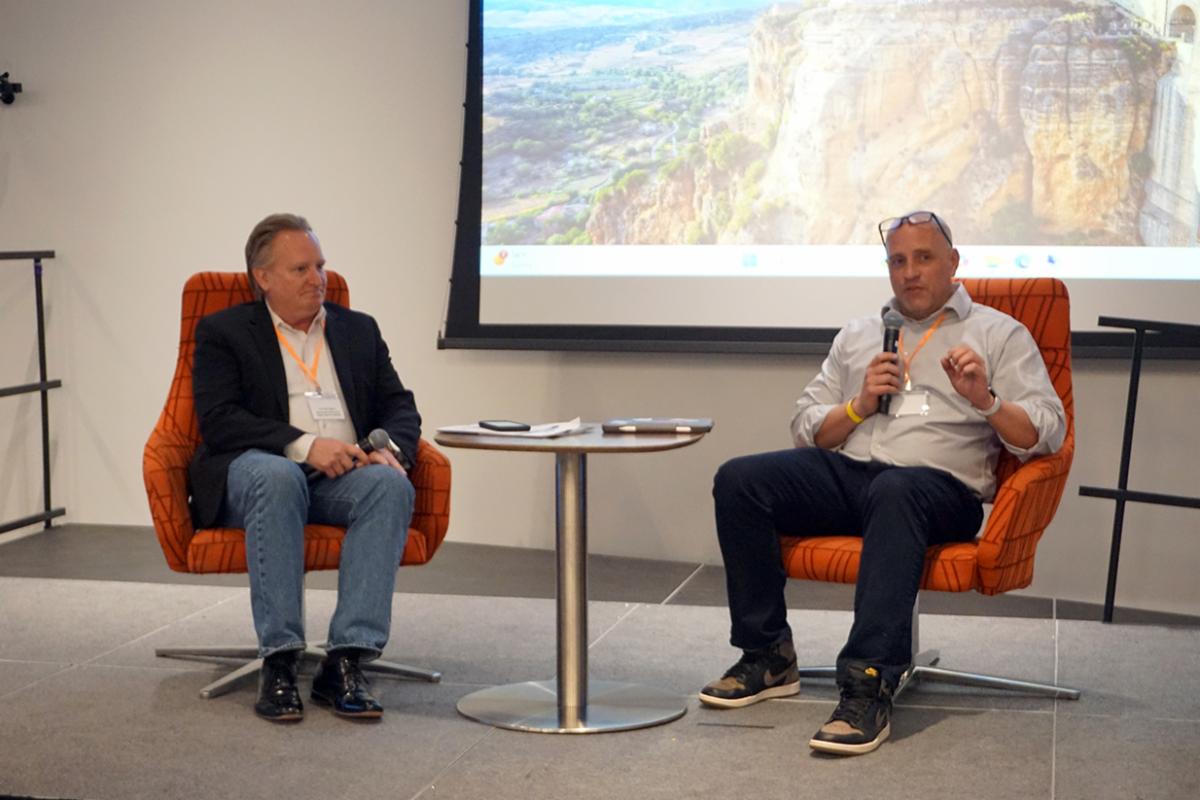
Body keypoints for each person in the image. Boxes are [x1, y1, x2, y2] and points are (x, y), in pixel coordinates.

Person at [699, 211, 1065, 755]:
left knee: (897, 492)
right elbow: (807, 425)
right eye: (898, 261)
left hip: (939, 489)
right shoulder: (860, 334)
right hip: (853, 476)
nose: (910, 272)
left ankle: (867, 684)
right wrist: (858, 404)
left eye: (923, 258)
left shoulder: (998, 332)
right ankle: (767, 655)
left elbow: (1047, 432)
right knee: (740, 480)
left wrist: (985, 399)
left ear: (953, 263)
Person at [189, 213, 420, 722]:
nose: (318, 279)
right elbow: (220, 421)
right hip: (258, 474)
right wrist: (303, 444)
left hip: (340, 477)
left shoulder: (358, 330)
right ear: (263, 277)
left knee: (387, 486)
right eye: (301, 269)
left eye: (320, 265)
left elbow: (399, 406)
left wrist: (388, 449)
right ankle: (279, 658)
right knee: (279, 476)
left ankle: (347, 659)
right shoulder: (224, 332)